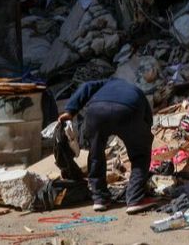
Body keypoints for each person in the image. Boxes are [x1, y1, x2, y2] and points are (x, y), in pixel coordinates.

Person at [58, 78, 156, 214]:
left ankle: (100, 198)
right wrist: (143, 137)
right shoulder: (136, 91)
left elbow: (86, 86)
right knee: (141, 155)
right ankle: (135, 198)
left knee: (96, 154)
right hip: (127, 111)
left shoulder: (104, 84)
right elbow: (148, 119)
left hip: (96, 112)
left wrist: (70, 110)